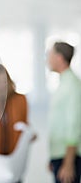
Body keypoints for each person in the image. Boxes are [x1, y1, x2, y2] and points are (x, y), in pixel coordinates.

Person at [47, 42, 81, 183]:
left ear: (59, 58)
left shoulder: (72, 85)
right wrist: (53, 157)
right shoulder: (63, 83)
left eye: (50, 55)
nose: (47, 59)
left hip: (68, 157)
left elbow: (74, 124)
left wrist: (68, 163)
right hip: (60, 155)